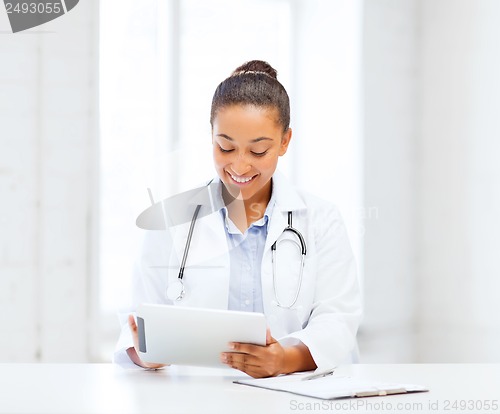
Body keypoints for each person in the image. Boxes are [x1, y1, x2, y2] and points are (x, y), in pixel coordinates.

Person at [114, 60, 362, 378]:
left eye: (258, 151)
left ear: (285, 141)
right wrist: (146, 353)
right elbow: (137, 320)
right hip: (200, 398)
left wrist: (284, 359)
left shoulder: (321, 219)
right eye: (226, 147)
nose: (240, 167)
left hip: (296, 394)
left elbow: (338, 319)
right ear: (212, 136)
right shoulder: (172, 219)